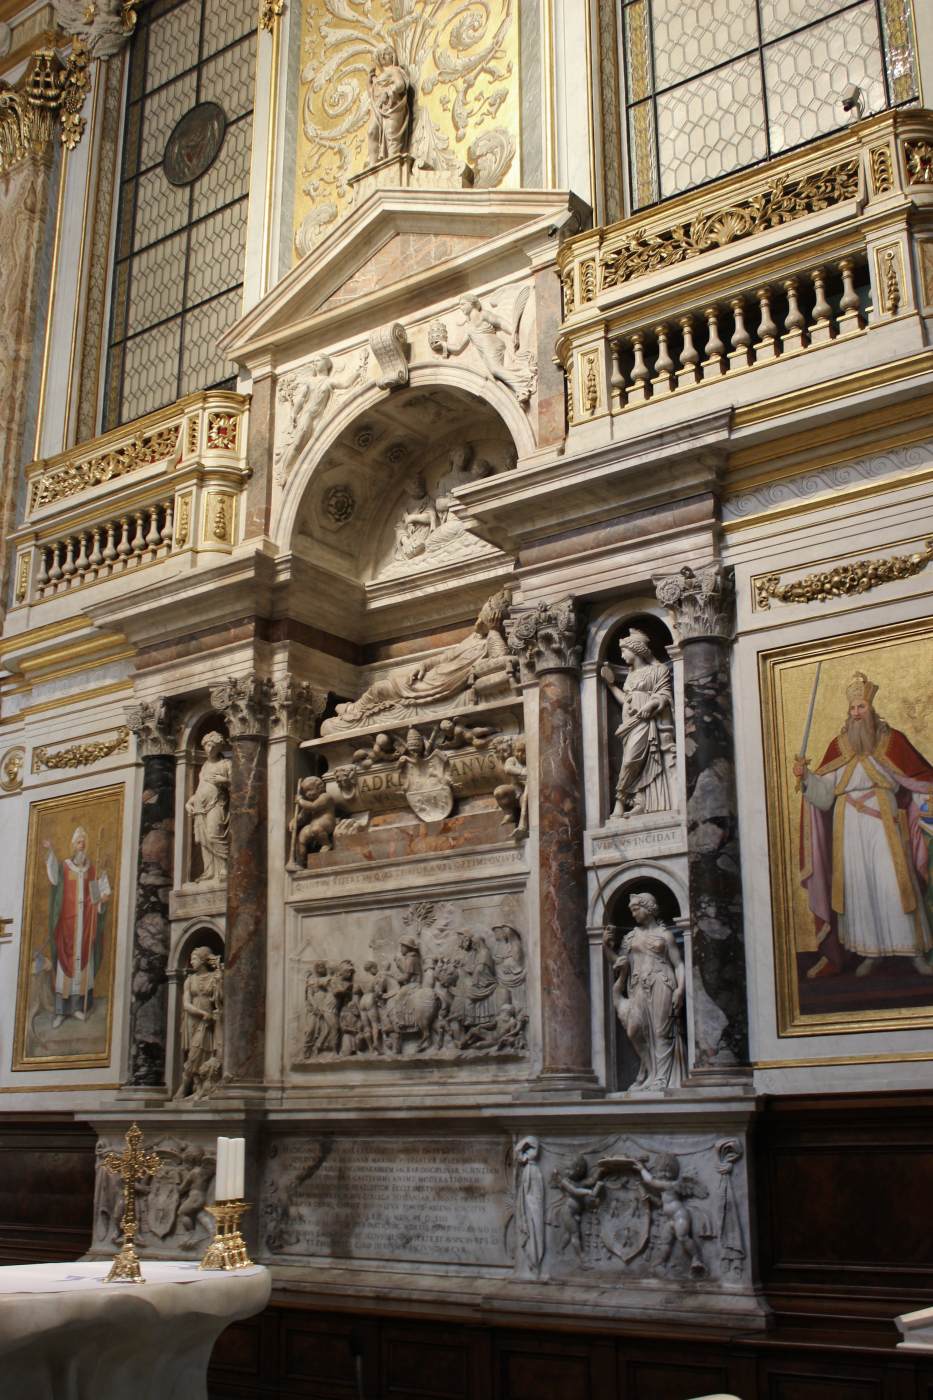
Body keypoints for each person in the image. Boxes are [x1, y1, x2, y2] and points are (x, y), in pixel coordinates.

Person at [794, 671, 933, 979]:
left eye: (862, 707)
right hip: (849, 826)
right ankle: (870, 954)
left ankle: (915, 953)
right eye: (853, 708)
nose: (857, 713)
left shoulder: (891, 740)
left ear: (871, 709)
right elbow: (824, 795)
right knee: (860, 888)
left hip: (884, 821)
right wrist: (807, 779)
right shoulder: (838, 745)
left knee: (894, 884)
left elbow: (917, 778)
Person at [607, 892, 685, 1090]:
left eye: (636, 909)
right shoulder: (630, 936)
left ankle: (661, 1079)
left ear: (648, 908)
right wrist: (606, 945)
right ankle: (651, 1072)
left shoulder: (665, 935)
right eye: (631, 910)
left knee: (661, 1031)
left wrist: (680, 990)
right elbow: (618, 961)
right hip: (637, 986)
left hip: (662, 982)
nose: (633, 914)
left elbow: (678, 964)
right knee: (635, 1030)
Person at [600, 629, 675, 819]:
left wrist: (651, 704)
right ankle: (640, 802)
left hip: (647, 720)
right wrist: (610, 685)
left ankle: (620, 801)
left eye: (624, 651)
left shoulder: (659, 670)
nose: (622, 655)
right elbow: (626, 700)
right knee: (634, 761)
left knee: (632, 760)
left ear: (635, 650)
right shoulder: (631, 676)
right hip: (630, 722)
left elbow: (665, 695)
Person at [43, 826, 109, 1028]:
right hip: (68, 923)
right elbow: (55, 878)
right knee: (65, 965)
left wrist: (101, 897)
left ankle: (78, 1007)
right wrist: (50, 852)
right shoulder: (65, 866)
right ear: (73, 845)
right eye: (78, 842)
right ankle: (61, 1011)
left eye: (83, 842)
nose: (81, 845)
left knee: (83, 965)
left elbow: (99, 895)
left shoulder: (92, 868)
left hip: (85, 924)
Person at [175, 947, 223, 1100]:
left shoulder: (213, 977)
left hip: (209, 1022)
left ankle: (197, 1087)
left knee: (203, 1053)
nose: (191, 962)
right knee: (192, 1053)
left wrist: (220, 977)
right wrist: (202, 1013)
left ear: (203, 960)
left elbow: (220, 999)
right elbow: (186, 1004)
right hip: (193, 1019)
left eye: (194, 959)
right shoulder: (189, 980)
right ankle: (191, 1086)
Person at [186, 732, 230, 884]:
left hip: (217, 804)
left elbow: (240, 786)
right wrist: (189, 802)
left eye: (213, 746)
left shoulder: (225, 764)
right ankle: (210, 871)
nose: (210, 749)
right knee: (202, 839)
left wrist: (224, 780)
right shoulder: (204, 766)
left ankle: (225, 867)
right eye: (207, 745)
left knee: (213, 834)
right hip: (200, 806)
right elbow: (201, 787)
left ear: (219, 747)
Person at [366, 45, 410, 164]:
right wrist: (370, 85)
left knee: (390, 134)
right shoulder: (380, 76)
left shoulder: (394, 70)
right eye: (382, 53)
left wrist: (388, 91)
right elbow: (374, 94)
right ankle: (372, 166)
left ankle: (393, 164)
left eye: (387, 53)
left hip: (392, 107)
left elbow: (400, 84)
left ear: (392, 55)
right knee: (371, 132)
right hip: (379, 108)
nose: (384, 55)